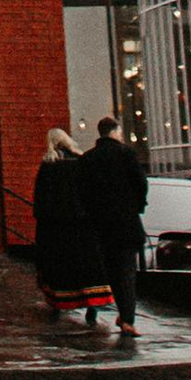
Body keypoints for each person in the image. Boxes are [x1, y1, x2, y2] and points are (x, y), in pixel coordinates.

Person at [31, 125, 117, 329]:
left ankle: (59, 302)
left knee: (58, 267)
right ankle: (92, 305)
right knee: (86, 266)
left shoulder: (49, 166)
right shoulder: (81, 163)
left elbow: (40, 200)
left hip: (55, 227)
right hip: (83, 225)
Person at [80, 114, 149, 337]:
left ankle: (100, 311)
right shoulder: (126, 153)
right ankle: (127, 319)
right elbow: (141, 183)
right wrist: (136, 207)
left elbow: (82, 192)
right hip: (126, 223)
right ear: (115, 132)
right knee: (126, 271)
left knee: (105, 270)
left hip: (99, 224)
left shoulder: (88, 159)